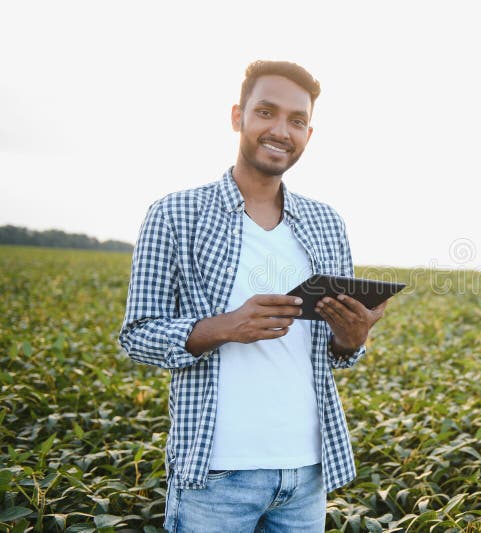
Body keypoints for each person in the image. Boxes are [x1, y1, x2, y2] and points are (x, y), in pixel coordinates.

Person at [119, 60, 386, 532]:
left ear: (308, 133)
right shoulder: (176, 213)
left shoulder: (326, 222)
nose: (281, 130)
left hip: (306, 473)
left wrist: (351, 337)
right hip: (215, 475)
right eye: (267, 112)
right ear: (237, 116)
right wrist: (225, 327)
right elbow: (138, 335)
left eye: (297, 121)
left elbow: (339, 357)